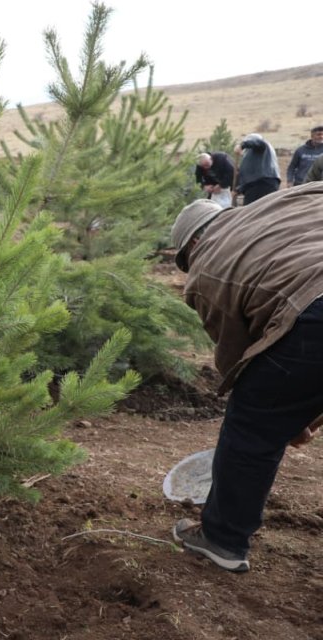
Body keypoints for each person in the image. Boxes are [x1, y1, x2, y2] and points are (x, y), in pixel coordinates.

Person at [168, 188, 323, 573]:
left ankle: (222, 539)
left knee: (251, 424)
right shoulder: (286, 200)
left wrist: (280, 416)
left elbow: (241, 357)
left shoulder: (207, 266)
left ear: (193, 245)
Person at [234, 133, 280, 205]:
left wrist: (242, 145)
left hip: (262, 184)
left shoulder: (262, 145)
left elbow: (257, 142)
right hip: (256, 186)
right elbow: (246, 176)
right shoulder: (255, 156)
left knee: (253, 212)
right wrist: (238, 190)